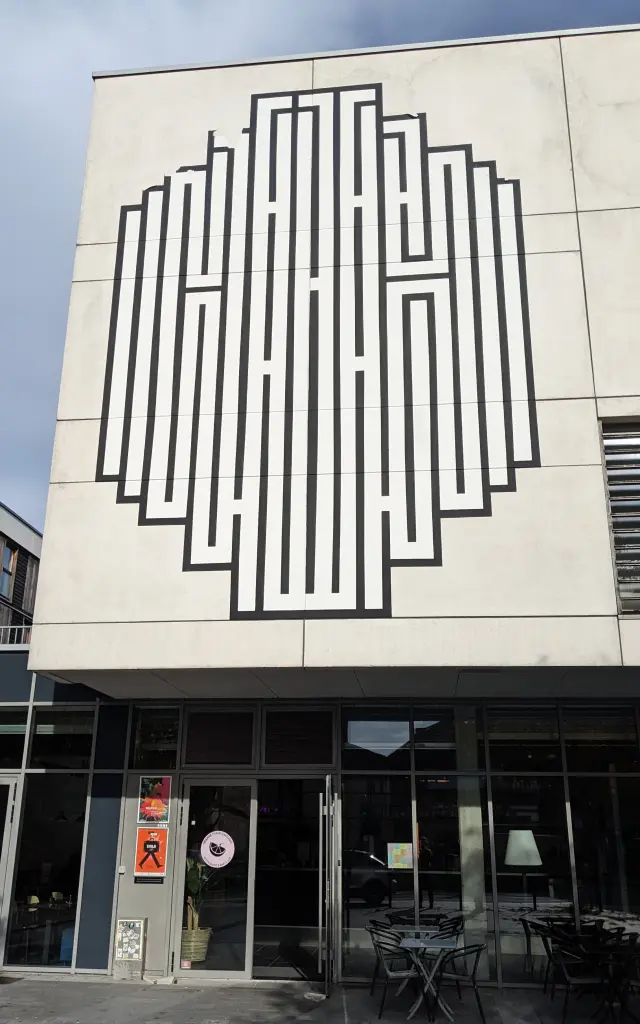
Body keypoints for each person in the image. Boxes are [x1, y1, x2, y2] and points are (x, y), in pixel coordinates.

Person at [418, 833, 434, 910]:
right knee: (422, 889)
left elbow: (431, 861)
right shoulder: (422, 851)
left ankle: (430, 903)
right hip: (424, 871)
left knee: (428, 888)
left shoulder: (426, 851)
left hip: (425, 871)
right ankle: (424, 903)